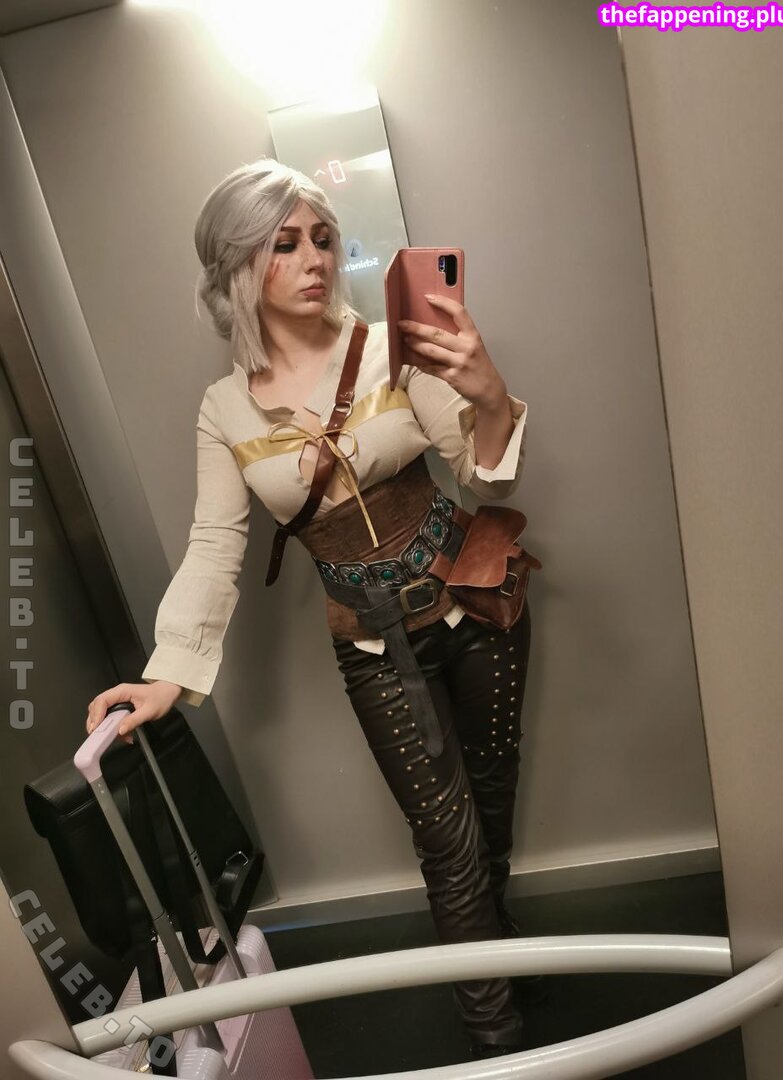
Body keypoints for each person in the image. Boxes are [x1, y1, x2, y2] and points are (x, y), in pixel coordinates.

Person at [86, 158, 536, 1059]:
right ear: (237, 267)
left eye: (323, 239)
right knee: (446, 843)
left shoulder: (390, 347)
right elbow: (216, 542)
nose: (315, 260)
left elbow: (480, 471)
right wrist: (167, 673)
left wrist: (489, 396)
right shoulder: (225, 408)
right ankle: (501, 1045)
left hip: (476, 604)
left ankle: (506, 964)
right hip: (372, 645)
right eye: (284, 244)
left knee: (489, 810)